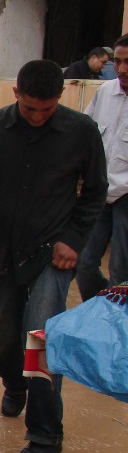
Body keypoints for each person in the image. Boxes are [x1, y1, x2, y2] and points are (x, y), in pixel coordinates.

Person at [0, 60, 106, 453]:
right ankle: (14, 384)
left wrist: (74, 240)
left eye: (47, 110)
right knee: (4, 332)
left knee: (42, 339)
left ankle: (45, 434)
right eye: (30, 108)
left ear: (59, 99)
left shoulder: (81, 131)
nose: (37, 117)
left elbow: (95, 193)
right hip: (3, 251)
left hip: (53, 252)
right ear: (16, 94)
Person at [76, 33, 128, 301]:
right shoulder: (105, 92)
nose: (121, 69)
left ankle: (118, 333)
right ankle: (102, 312)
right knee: (84, 264)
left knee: (122, 271)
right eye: (117, 62)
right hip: (100, 191)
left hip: (126, 197)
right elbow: (86, 134)